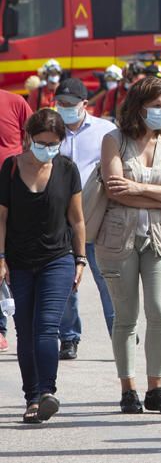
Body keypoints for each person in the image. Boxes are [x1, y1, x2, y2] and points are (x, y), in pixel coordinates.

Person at [95, 76, 161, 414]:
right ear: (138, 107)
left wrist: (138, 191)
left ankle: (156, 388)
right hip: (119, 238)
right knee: (126, 317)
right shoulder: (114, 140)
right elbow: (114, 189)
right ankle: (128, 389)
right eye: (156, 106)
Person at [0, 109, 86, 423]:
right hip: (18, 263)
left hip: (57, 259)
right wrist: (0, 259)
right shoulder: (10, 168)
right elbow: (1, 218)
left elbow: (76, 220)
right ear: (28, 139)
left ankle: (47, 392)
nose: (47, 148)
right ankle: (32, 397)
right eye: (41, 142)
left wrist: (80, 259)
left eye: (53, 143)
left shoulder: (67, 169)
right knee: (25, 330)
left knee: (47, 326)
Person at [55, 79, 117, 360]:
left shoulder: (106, 131)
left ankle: (120, 334)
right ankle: (68, 337)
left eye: (70, 104)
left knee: (109, 281)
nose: (65, 109)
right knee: (67, 282)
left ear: (85, 105)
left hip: (98, 218)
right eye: (61, 104)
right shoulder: (49, 130)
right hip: (61, 221)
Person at [0, 88, 33, 353]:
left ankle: (25, 323)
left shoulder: (15, 102)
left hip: (15, 191)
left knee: (17, 259)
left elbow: (34, 136)